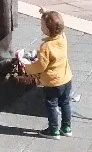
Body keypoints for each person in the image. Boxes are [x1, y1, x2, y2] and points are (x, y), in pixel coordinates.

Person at [24, 9, 74, 138]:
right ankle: (67, 127)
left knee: (52, 105)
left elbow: (41, 66)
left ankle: (53, 130)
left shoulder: (46, 46)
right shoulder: (62, 38)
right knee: (65, 103)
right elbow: (56, 24)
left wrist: (27, 68)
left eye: (42, 25)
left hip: (52, 82)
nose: (41, 27)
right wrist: (45, 14)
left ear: (47, 29)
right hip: (66, 78)